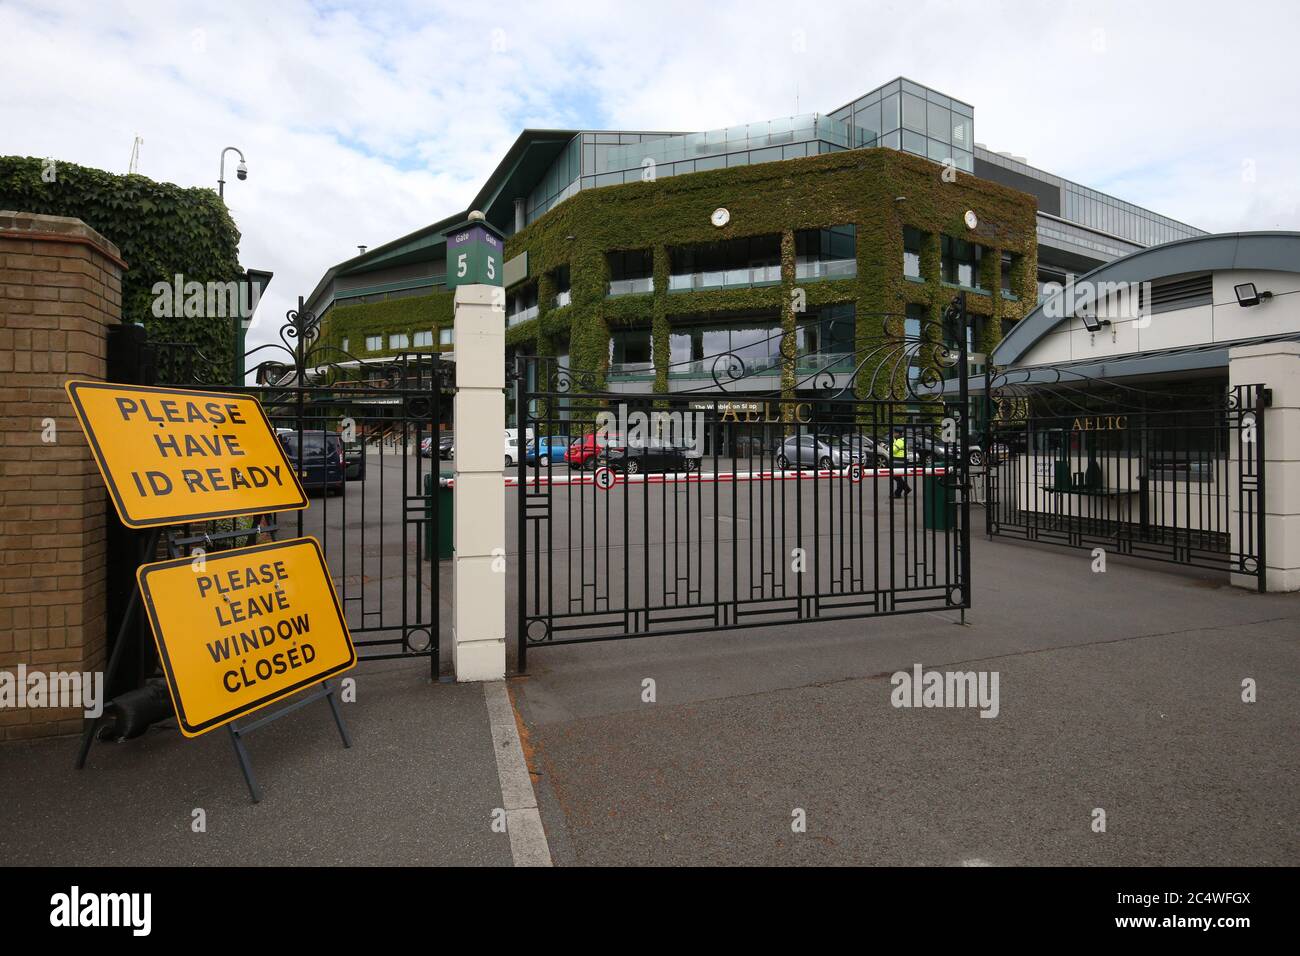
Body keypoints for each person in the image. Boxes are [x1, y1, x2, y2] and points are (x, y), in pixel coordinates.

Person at [890, 428, 911, 498]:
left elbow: (893, 450)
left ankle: (903, 490)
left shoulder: (900, 441)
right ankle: (899, 492)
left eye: (894, 433)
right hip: (899, 460)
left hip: (899, 461)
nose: (893, 434)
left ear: (898, 434)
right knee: (897, 477)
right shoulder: (899, 440)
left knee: (896, 476)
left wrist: (885, 446)